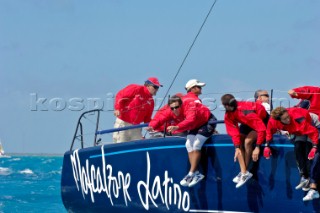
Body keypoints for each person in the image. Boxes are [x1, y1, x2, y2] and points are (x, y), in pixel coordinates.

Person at [147, 95, 217, 187]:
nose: (175, 110)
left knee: (196, 144)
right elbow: (160, 118)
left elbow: (190, 120)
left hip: (207, 121)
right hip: (195, 125)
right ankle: (197, 173)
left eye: (177, 107)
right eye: (172, 108)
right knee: (188, 144)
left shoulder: (189, 107)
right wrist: (152, 126)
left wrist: (177, 127)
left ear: (181, 105)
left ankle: (191, 173)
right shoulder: (170, 111)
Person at [265, 106, 320, 201]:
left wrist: (314, 147)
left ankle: (313, 187)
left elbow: (313, 132)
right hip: (298, 130)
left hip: (312, 124)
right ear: (279, 120)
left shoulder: (296, 117)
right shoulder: (273, 121)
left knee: (310, 152)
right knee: (298, 147)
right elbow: (269, 131)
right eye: (285, 119)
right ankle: (304, 177)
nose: (288, 119)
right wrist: (267, 145)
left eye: (288, 116)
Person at [221, 94, 267, 188]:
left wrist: (258, 147)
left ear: (230, 105)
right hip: (246, 123)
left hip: (261, 122)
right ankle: (244, 172)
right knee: (239, 142)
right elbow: (234, 132)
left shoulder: (246, 111)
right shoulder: (228, 114)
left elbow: (261, 129)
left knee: (247, 141)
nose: (225, 107)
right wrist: (237, 147)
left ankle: (245, 172)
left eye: (226, 106)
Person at [113, 77, 162, 143]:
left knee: (137, 146)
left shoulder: (151, 102)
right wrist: (117, 109)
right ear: (148, 85)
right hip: (123, 123)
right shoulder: (136, 88)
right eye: (155, 87)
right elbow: (120, 95)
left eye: (158, 88)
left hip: (136, 127)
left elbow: (147, 119)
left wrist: (152, 126)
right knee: (120, 145)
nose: (157, 90)